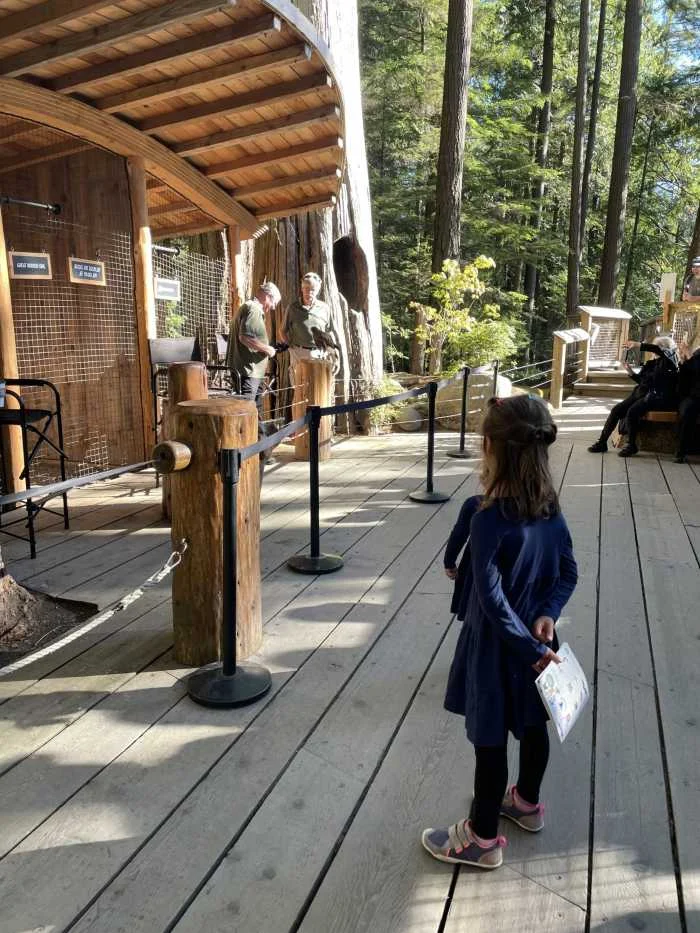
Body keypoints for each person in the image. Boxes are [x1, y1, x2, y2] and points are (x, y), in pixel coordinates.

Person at [421, 395, 578, 870]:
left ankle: (482, 837)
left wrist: (528, 645)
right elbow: (569, 571)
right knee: (533, 729)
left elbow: (489, 601)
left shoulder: (488, 518)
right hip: (539, 646)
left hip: (495, 649)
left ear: (488, 446)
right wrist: (547, 617)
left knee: (489, 744)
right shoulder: (550, 508)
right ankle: (526, 804)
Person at [587, 335, 679, 457]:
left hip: (656, 397)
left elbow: (660, 351)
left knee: (631, 412)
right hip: (640, 394)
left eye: (657, 347)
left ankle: (632, 445)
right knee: (616, 410)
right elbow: (641, 380)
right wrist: (630, 372)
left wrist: (638, 344)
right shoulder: (651, 363)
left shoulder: (670, 361)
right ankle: (602, 442)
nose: (654, 349)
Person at [227, 281, 282, 464]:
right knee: (247, 413)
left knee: (255, 412)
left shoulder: (252, 309)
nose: (273, 308)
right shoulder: (253, 308)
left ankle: (260, 454)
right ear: (267, 296)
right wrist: (267, 349)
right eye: (274, 303)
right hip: (246, 372)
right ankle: (242, 456)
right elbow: (245, 337)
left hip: (252, 372)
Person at [280, 272, 340, 396]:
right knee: (300, 391)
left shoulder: (325, 308)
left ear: (317, 290)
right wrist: (290, 347)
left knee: (318, 390)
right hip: (298, 353)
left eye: (313, 289)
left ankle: (318, 415)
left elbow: (329, 332)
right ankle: (301, 415)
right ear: (302, 289)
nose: (309, 293)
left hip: (319, 354)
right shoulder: (293, 308)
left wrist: (334, 353)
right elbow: (282, 330)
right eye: (306, 289)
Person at [675, 334, 700, 463]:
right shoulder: (697, 352)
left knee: (689, 411)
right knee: (685, 412)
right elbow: (689, 373)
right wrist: (683, 359)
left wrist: (688, 356)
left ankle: (684, 450)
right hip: (694, 394)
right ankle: (683, 450)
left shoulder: (694, 354)